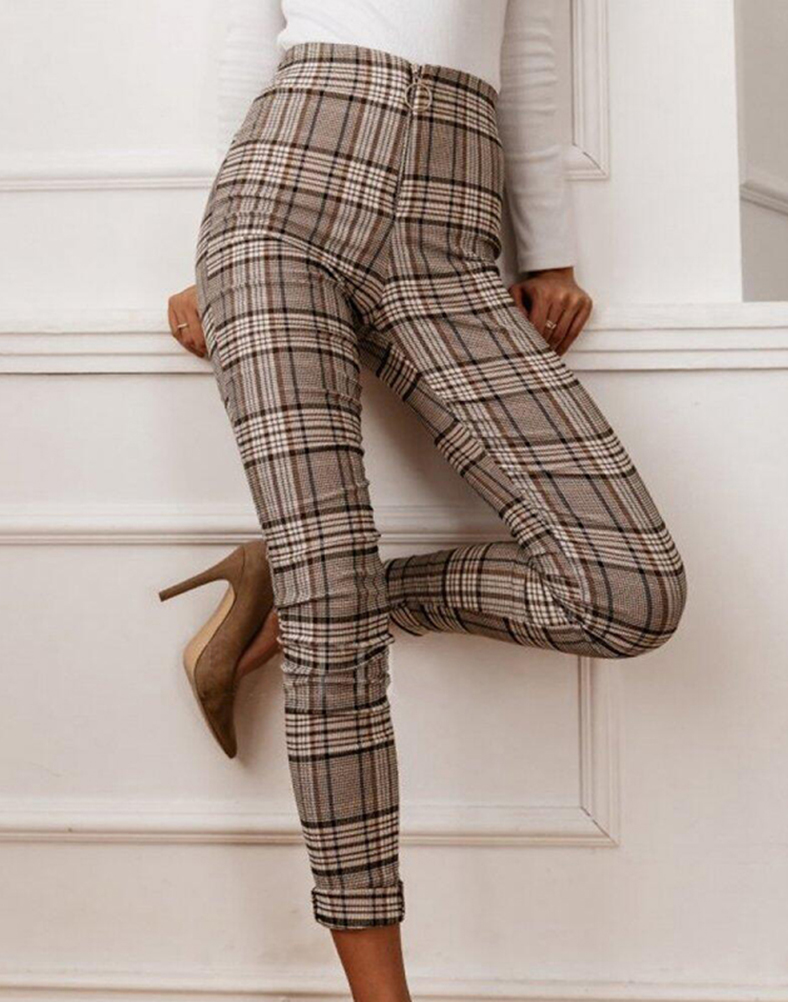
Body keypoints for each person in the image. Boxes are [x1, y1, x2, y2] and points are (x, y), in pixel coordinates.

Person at [164, 2, 688, 997]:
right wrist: (200, 257)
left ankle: (322, 594)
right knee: (333, 627)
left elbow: (528, 49)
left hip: (452, 215)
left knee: (631, 592)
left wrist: (548, 253)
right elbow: (247, 39)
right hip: (279, 190)